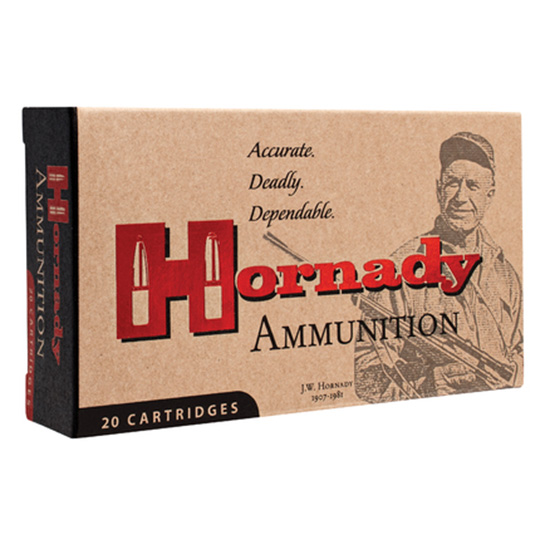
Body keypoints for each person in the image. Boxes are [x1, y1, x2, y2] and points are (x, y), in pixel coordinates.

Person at [354, 132, 523, 403]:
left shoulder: (505, 274)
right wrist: (429, 385)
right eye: (452, 183)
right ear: (438, 189)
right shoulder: (399, 269)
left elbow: (527, 352)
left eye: (473, 186)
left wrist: (514, 376)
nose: (460, 196)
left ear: (490, 195)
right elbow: (367, 379)